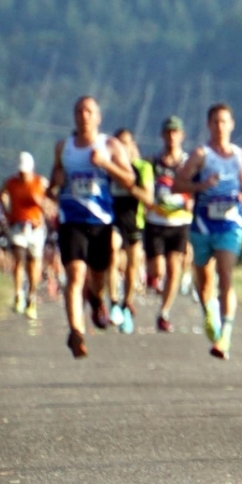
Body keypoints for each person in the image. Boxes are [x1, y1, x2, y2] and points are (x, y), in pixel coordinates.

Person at [49, 96, 135, 358]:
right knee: (75, 275)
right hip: (71, 220)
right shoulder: (64, 148)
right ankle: (76, 332)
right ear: (74, 116)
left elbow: (130, 179)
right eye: (79, 111)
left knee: (97, 276)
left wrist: (106, 164)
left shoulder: (110, 145)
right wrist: (56, 181)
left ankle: (96, 299)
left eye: (89, 111)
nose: (83, 115)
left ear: (98, 117)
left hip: (100, 223)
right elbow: (53, 181)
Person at [175, 103, 242, 359]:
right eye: (215, 122)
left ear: (232, 125)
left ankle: (225, 336)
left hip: (230, 224)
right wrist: (201, 185)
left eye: (224, 122)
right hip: (203, 225)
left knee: (225, 274)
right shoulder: (201, 155)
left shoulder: (241, 155)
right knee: (204, 280)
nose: (220, 127)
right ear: (209, 125)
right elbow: (177, 185)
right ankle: (209, 311)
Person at [144, 116, 193, 333]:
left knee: (174, 268)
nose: (172, 137)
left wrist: (192, 199)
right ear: (163, 135)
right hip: (156, 221)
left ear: (182, 135)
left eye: (176, 132)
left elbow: (196, 185)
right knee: (157, 270)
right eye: (168, 132)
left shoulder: (189, 162)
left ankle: (164, 312)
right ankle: (152, 278)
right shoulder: (153, 162)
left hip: (180, 222)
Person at [108, 128, 154, 333]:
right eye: (118, 143)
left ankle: (127, 304)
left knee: (132, 266)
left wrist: (129, 186)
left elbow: (149, 199)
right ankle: (113, 302)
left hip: (134, 222)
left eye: (126, 143)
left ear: (132, 146)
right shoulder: (107, 168)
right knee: (111, 252)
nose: (122, 147)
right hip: (111, 220)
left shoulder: (142, 168)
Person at [0, 151, 49, 319]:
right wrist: (7, 211)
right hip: (18, 226)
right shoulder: (11, 183)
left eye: (24, 172)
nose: (22, 175)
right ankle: (18, 294)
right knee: (19, 258)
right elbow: (2, 194)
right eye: (20, 172)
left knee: (34, 263)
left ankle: (32, 298)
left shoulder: (39, 182)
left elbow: (50, 202)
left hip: (35, 228)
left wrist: (39, 202)